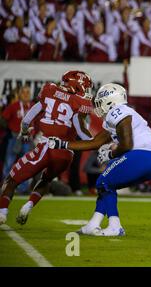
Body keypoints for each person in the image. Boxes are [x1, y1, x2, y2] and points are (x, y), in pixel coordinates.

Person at [47, 83, 151, 236]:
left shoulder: (118, 111)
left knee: (103, 182)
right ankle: (94, 224)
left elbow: (127, 145)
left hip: (144, 154)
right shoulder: (118, 116)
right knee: (108, 184)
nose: (99, 105)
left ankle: (115, 226)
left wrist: (111, 154)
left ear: (111, 100)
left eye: (101, 100)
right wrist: (63, 144)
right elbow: (94, 143)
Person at [0, 71, 93, 226]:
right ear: (77, 85)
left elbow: (28, 119)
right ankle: (28, 206)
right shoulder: (79, 103)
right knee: (46, 179)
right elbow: (83, 135)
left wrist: (24, 131)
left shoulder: (50, 91)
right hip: (66, 154)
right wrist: (97, 143)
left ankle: (2, 213)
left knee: (11, 180)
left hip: (47, 146)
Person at [1, 86, 33, 179]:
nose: (26, 94)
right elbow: (3, 119)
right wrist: (10, 129)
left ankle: (23, 188)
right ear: (19, 94)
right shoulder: (14, 106)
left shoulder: (33, 106)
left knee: (26, 164)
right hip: (15, 138)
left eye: (28, 92)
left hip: (27, 139)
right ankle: (5, 186)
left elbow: (38, 121)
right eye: (23, 92)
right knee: (9, 163)